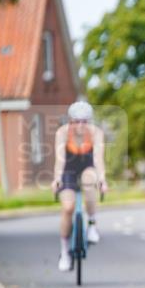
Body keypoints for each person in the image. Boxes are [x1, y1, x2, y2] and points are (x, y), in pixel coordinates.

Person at [52, 101, 107, 271]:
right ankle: (64, 252)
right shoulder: (62, 133)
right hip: (68, 170)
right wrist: (57, 179)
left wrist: (102, 179)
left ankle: (92, 224)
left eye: (85, 121)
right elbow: (60, 160)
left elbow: (98, 159)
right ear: (70, 121)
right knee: (68, 208)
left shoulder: (96, 133)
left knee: (89, 181)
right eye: (76, 121)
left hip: (87, 167)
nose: (81, 125)